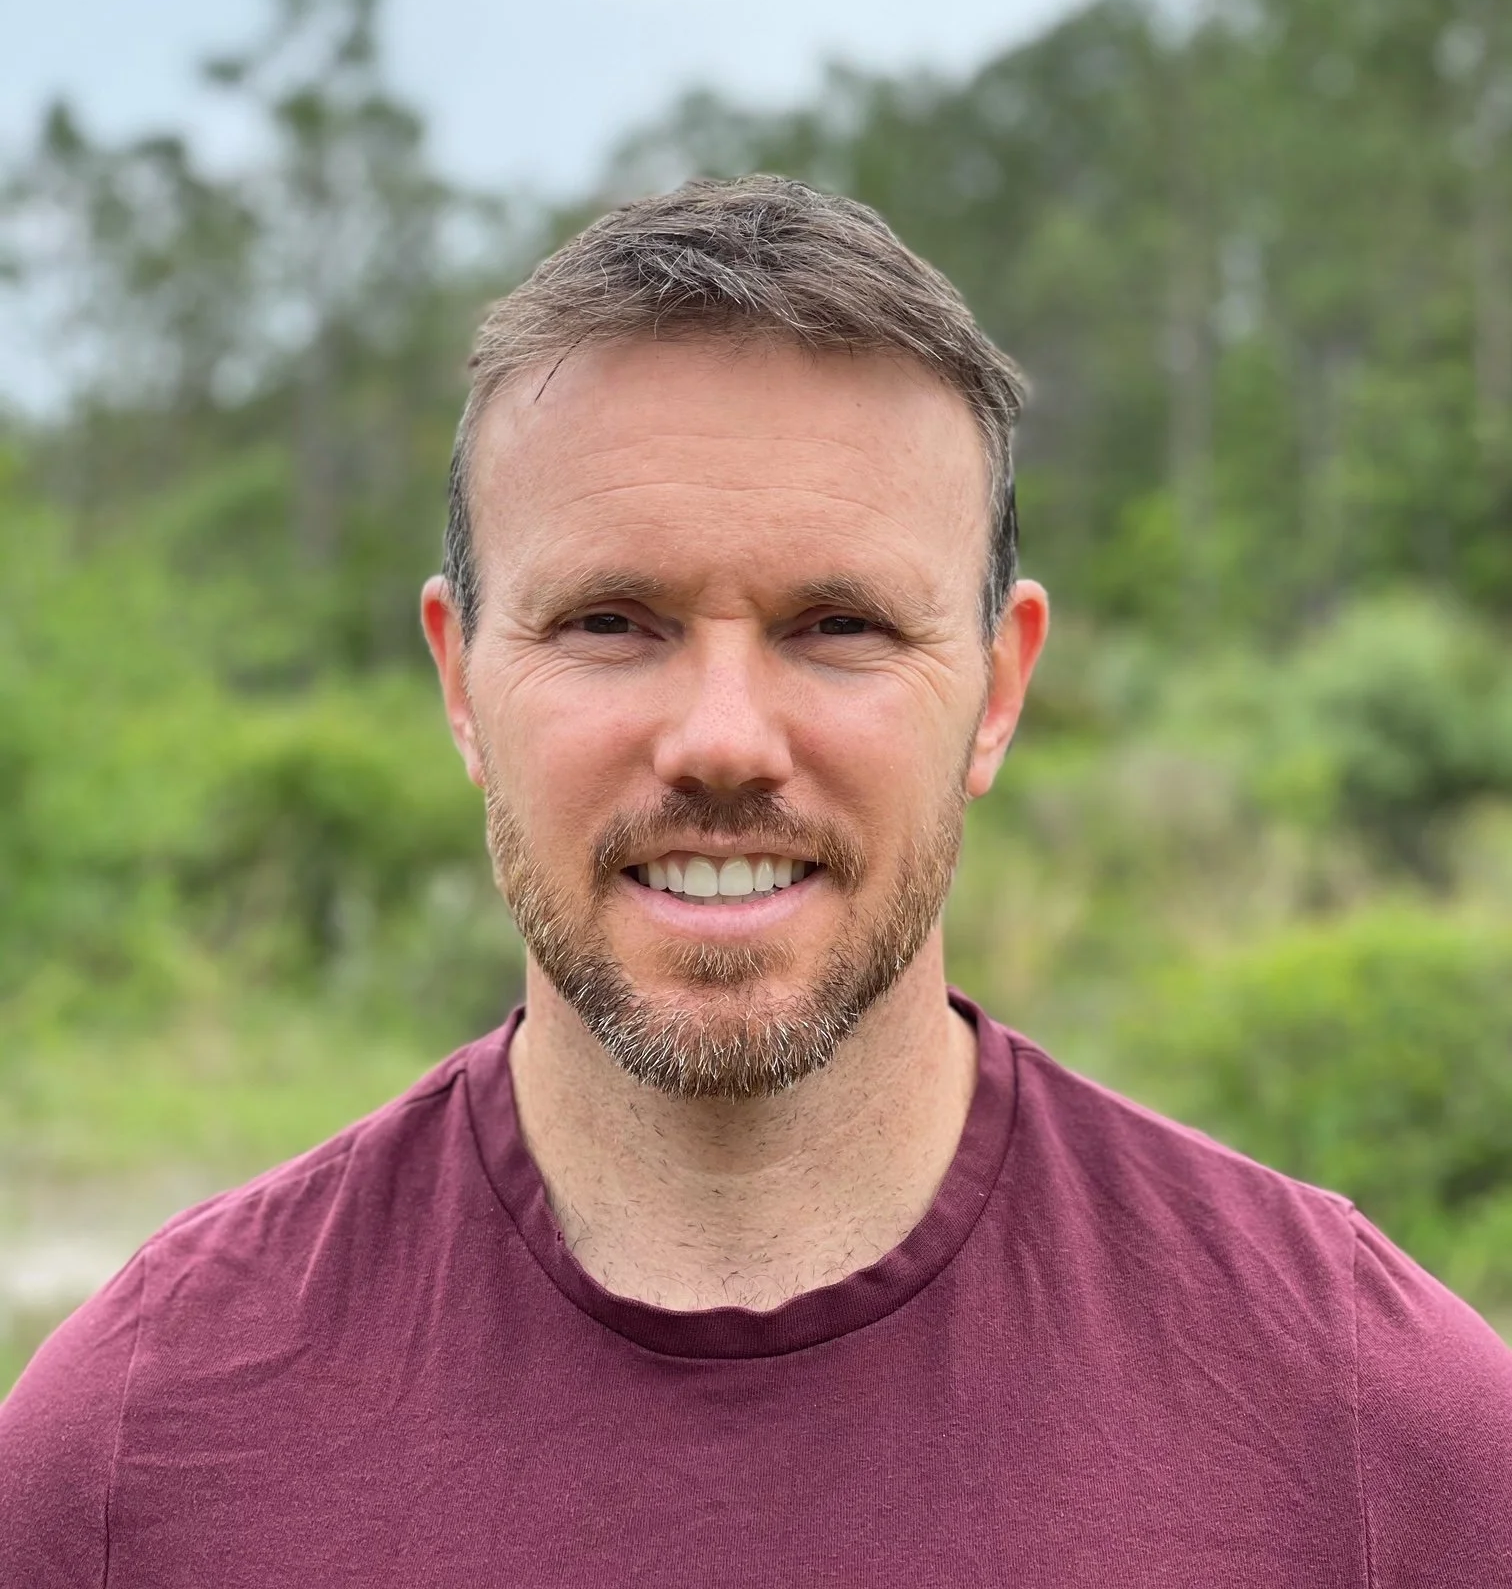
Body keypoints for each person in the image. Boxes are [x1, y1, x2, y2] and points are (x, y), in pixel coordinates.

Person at [3, 175, 1510, 1587]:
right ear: (462, 682)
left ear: (997, 689)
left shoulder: (1384, 1444)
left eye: (838, 624)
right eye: (610, 621)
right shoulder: (133, 1456)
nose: (723, 740)